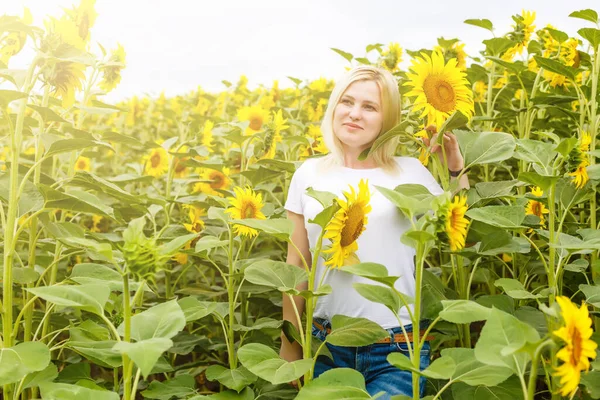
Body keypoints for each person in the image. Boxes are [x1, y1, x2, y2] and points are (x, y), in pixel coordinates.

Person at [279, 65, 469, 399]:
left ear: (387, 119)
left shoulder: (409, 171)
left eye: (370, 107)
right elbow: (296, 265)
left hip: (395, 347)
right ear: (334, 107)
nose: (354, 113)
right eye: (347, 101)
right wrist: (290, 345)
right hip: (327, 344)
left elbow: (457, 217)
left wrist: (454, 165)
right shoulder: (309, 174)